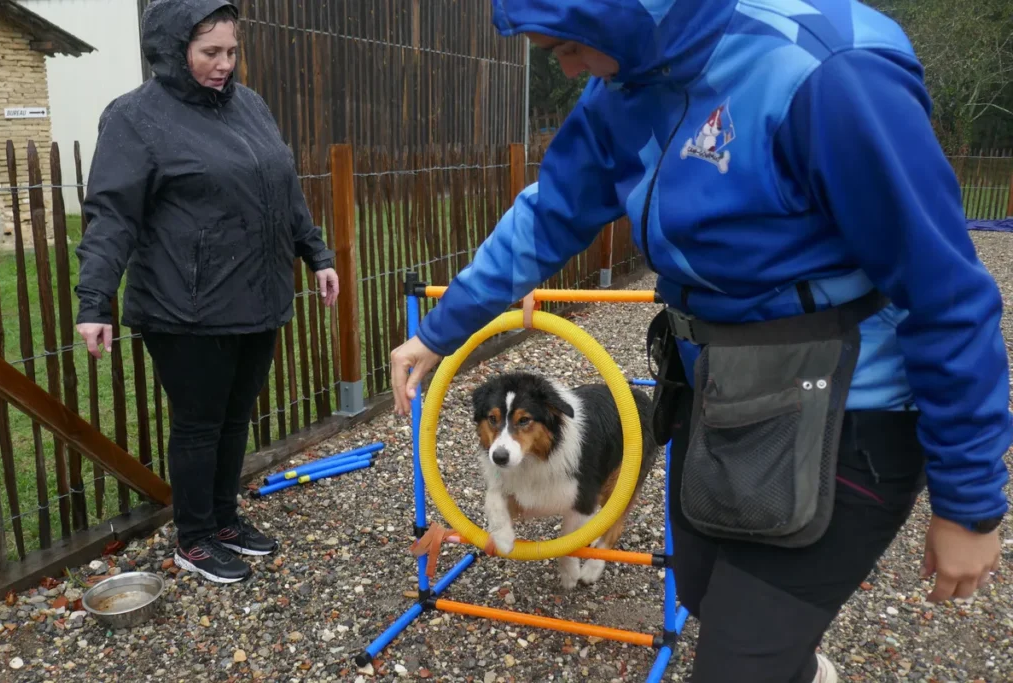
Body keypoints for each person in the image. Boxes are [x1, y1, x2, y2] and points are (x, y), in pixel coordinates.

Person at [389, 1, 1011, 681]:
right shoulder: (622, 87)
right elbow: (548, 215)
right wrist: (440, 332)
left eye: (568, 44)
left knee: (735, 663)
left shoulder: (826, 75)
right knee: (704, 591)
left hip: (847, 404)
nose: (565, 67)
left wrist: (970, 503)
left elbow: (946, 288)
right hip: (720, 389)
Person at [74, 0, 339, 585]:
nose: (224, 65)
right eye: (209, 53)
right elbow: (111, 217)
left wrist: (315, 253)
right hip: (184, 306)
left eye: (232, 52)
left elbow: (283, 188)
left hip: (257, 297)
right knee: (198, 424)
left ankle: (224, 520)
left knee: (236, 417)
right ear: (174, 50)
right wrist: (95, 301)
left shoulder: (251, 107)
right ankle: (193, 538)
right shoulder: (135, 118)